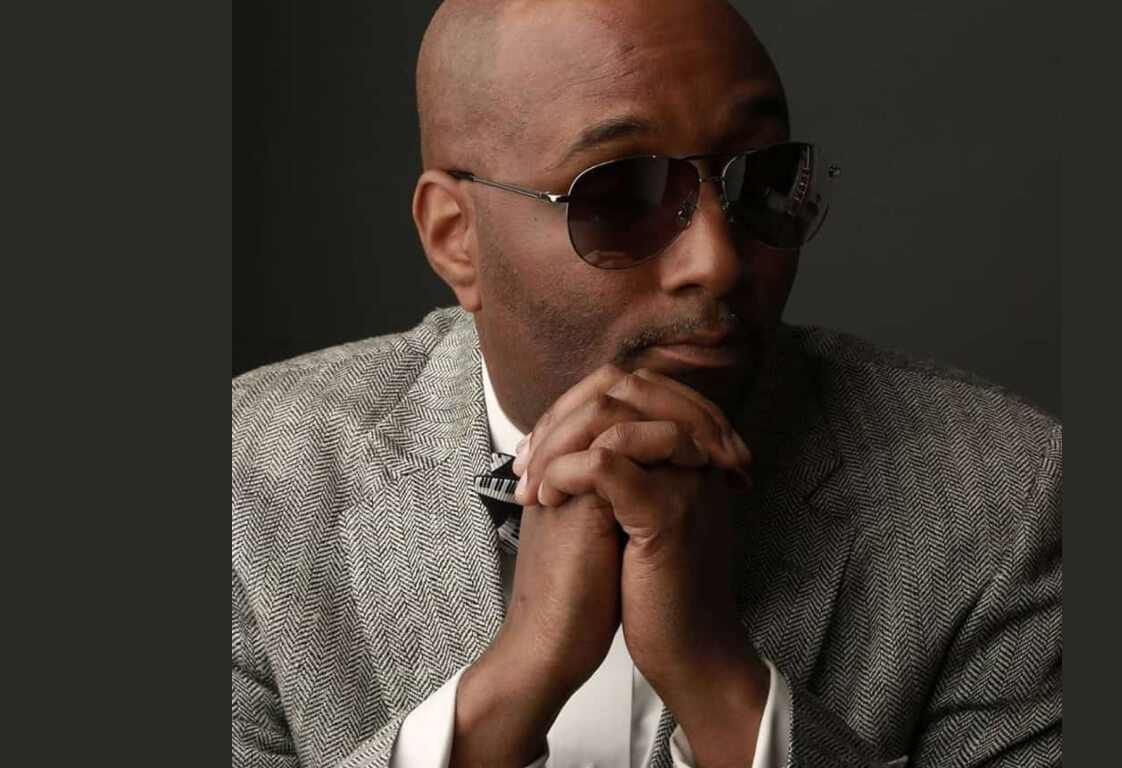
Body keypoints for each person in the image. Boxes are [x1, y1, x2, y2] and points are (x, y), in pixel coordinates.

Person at [230, 0, 1062, 766]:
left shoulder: (1001, 496)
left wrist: (724, 685)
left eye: (761, 182)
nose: (720, 261)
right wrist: (507, 692)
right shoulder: (246, 481)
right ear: (456, 238)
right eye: (621, 194)